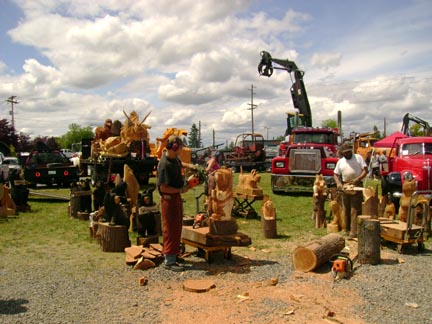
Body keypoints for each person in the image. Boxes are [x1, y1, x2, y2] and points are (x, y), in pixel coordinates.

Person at [157, 135, 196, 272]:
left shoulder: (174, 159)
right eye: (179, 148)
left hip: (176, 197)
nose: (181, 150)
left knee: (177, 226)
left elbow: (180, 163)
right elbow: (163, 188)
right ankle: (169, 260)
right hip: (168, 199)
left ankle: (174, 253)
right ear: (174, 147)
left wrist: (191, 166)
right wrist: (180, 189)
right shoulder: (164, 164)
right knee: (170, 228)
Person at [333, 142, 368, 239]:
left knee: (355, 209)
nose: (347, 154)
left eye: (349, 152)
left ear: (351, 151)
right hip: (346, 186)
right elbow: (335, 174)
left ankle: (354, 231)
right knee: (346, 208)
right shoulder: (340, 161)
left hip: (356, 185)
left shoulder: (358, 158)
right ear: (342, 153)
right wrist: (339, 183)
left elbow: (365, 170)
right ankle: (347, 229)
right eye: (345, 153)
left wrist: (358, 179)